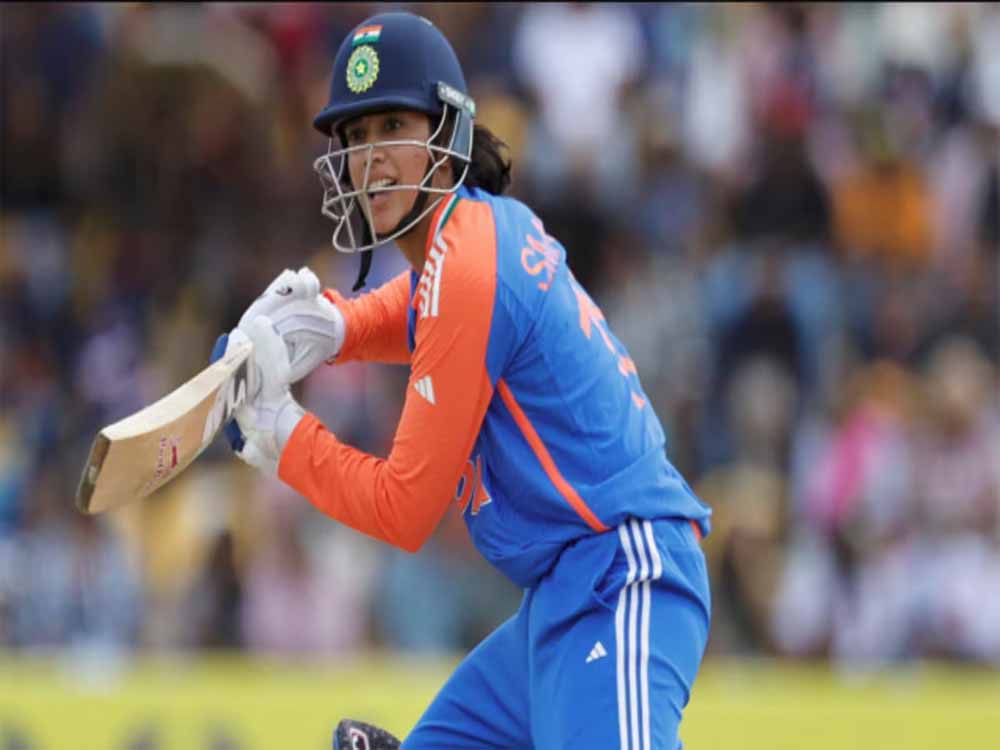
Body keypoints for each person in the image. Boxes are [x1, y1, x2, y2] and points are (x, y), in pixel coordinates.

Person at [214, 11, 712, 750]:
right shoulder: (476, 234)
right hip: (562, 600)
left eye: (391, 126)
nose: (369, 157)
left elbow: (405, 509)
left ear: (446, 134)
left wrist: (281, 437)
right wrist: (334, 329)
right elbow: (421, 307)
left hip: (623, 577)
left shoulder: (467, 266)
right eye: (355, 135)